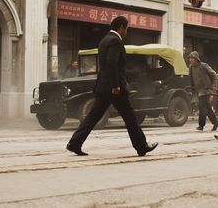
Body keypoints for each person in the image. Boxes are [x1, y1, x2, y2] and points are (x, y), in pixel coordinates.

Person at [67, 16, 158, 156]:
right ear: (121, 27)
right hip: (114, 87)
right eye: (127, 28)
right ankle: (141, 146)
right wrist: (116, 85)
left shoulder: (104, 40)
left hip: (103, 85)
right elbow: (112, 64)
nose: (127, 31)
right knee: (129, 116)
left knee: (93, 116)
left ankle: (74, 143)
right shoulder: (115, 41)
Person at [188, 51, 218, 131]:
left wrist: (213, 88)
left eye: (192, 58)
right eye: (190, 58)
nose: (190, 60)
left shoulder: (204, 66)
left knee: (202, 107)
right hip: (198, 91)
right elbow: (191, 79)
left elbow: (214, 75)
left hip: (205, 90)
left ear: (196, 59)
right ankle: (215, 123)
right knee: (207, 108)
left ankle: (201, 125)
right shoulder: (191, 67)